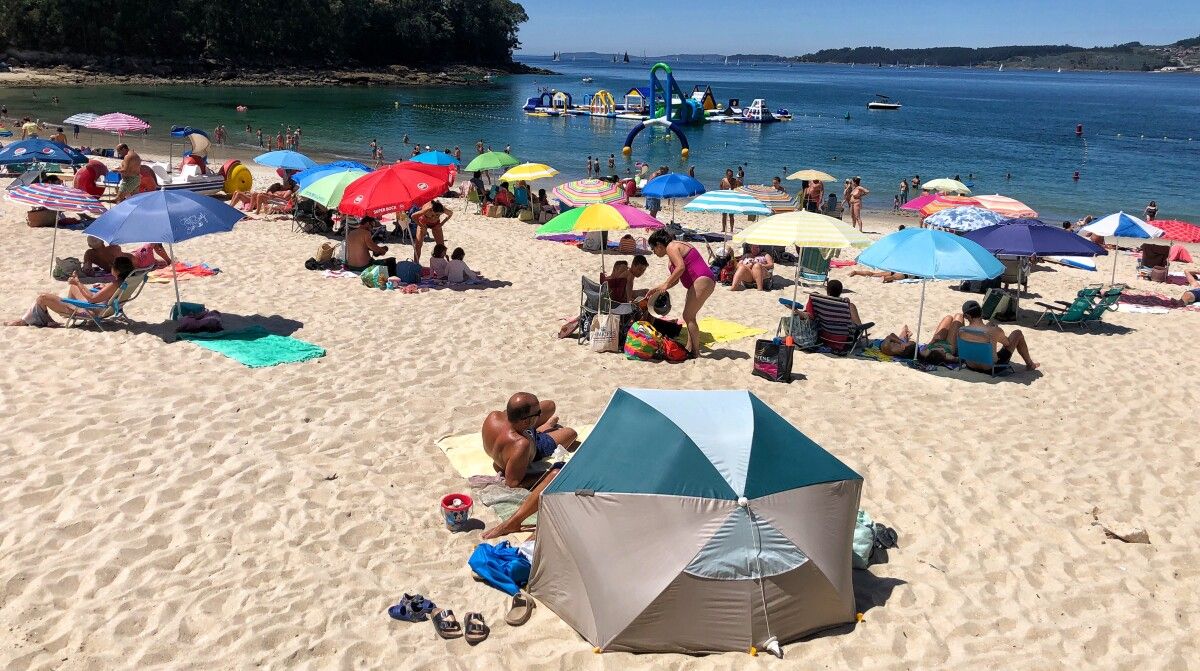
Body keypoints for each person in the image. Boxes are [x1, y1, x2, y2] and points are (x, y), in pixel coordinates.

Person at [482, 393, 578, 489]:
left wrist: (534, 417)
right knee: (571, 433)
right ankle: (544, 429)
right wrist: (548, 474)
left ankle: (545, 427)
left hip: (522, 429)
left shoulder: (493, 416)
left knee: (550, 405)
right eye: (538, 413)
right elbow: (513, 483)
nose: (540, 414)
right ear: (526, 422)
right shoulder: (521, 445)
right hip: (535, 446)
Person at [646, 229, 716, 358]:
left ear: (659, 245)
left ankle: (696, 353)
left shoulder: (672, 246)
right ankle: (690, 348)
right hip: (698, 282)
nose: (653, 252)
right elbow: (676, 279)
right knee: (690, 316)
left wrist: (666, 284)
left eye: (653, 248)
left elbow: (681, 267)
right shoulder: (672, 253)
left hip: (702, 279)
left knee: (688, 315)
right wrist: (658, 288)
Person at [8, 257, 136, 327]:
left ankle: (24, 321)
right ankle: (68, 310)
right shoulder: (124, 282)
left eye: (113, 265)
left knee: (42, 298)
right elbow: (106, 295)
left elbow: (91, 299)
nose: (111, 267)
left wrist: (78, 283)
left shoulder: (115, 284)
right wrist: (103, 288)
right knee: (73, 287)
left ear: (117, 271)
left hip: (92, 309)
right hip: (104, 307)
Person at [960, 299, 1039, 371]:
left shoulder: (961, 331)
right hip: (991, 368)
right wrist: (997, 333)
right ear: (981, 312)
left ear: (966, 316)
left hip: (970, 366)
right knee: (1017, 333)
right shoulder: (993, 331)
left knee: (989, 325)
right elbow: (1007, 343)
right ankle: (1030, 364)